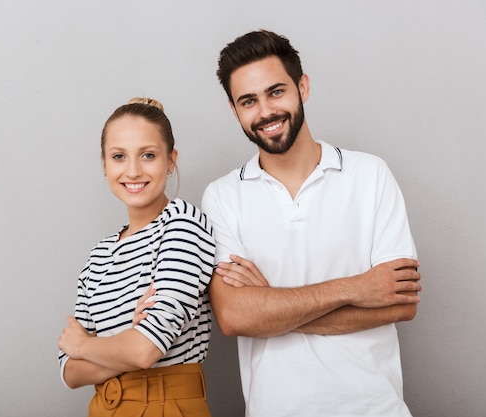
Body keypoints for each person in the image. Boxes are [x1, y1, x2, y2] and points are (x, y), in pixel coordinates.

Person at [201, 30, 422, 417]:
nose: (266, 112)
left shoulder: (369, 174)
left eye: (276, 92)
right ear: (235, 110)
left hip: (375, 408)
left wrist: (271, 307)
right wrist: (357, 288)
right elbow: (235, 316)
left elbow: (400, 304)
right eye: (248, 101)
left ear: (302, 86)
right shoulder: (222, 197)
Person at [59, 97, 215, 416]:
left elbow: (144, 351)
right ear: (104, 165)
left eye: (148, 155)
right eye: (119, 156)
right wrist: (124, 345)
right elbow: (70, 372)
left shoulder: (182, 224)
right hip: (104, 407)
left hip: (165, 406)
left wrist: (85, 347)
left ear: (171, 161)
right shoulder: (100, 254)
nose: (133, 170)